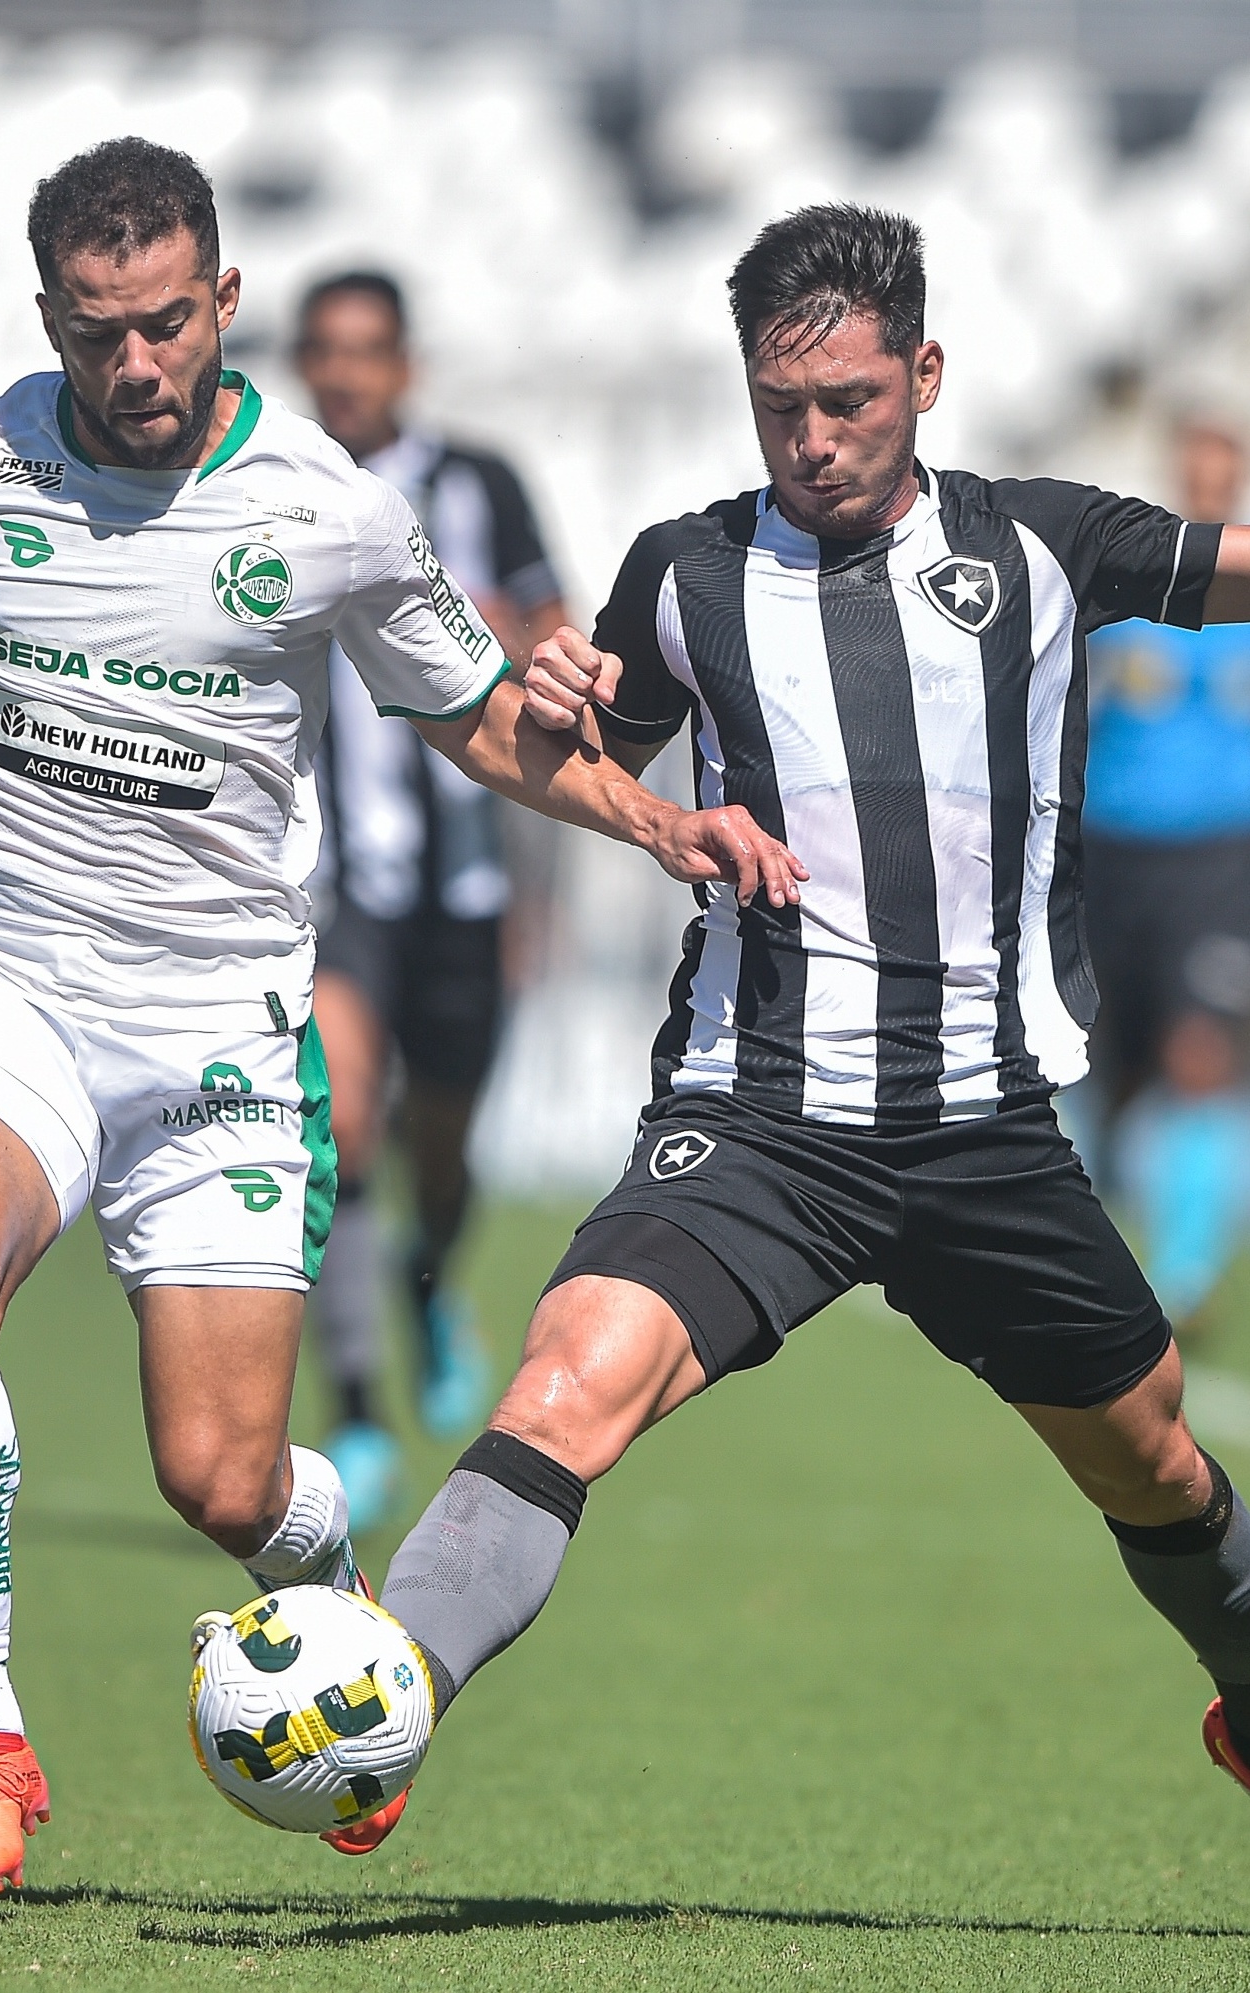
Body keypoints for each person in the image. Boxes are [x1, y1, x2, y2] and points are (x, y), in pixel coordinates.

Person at [0, 137, 792, 1900]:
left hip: (220, 1026)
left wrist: (657, 817)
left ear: (224, 301)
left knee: (223, 1477)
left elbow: (475, 714)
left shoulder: (328, 508)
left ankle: (334, 1607)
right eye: (99, 334)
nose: (137, 365)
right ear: (49, 321)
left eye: (168, 324)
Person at [373, 203, 1250, 1849]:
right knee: (567, 1378)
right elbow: (556, 748)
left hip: (988, 1122)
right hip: (757, 1116)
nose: (815, 436)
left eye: (849, 398)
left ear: (923, 373)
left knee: (1150, 1458)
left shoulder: (1046, 542)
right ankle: (377, 1701)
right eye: (782, 405)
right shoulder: (689, 572)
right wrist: (594, 748)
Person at [293, 270, 568, 1528]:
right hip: (333, 879)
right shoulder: (272, 485)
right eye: (326, 351)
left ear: (405, 364)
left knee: (439, 1149)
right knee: (342, 1126)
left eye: (368, 351)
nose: (346, 373)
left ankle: (429, 1283)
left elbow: (559, 641)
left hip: (462, 883)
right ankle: (354, 1408)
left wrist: (514, 636)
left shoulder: (479, 484)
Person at [1084, 412, 1250, 1327]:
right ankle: (1098, 1230)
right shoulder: (1128, 596)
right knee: (1113, 1068)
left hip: (1220, 856)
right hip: (1112, 852)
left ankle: (1182, 1279)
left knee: (1199, 1054)